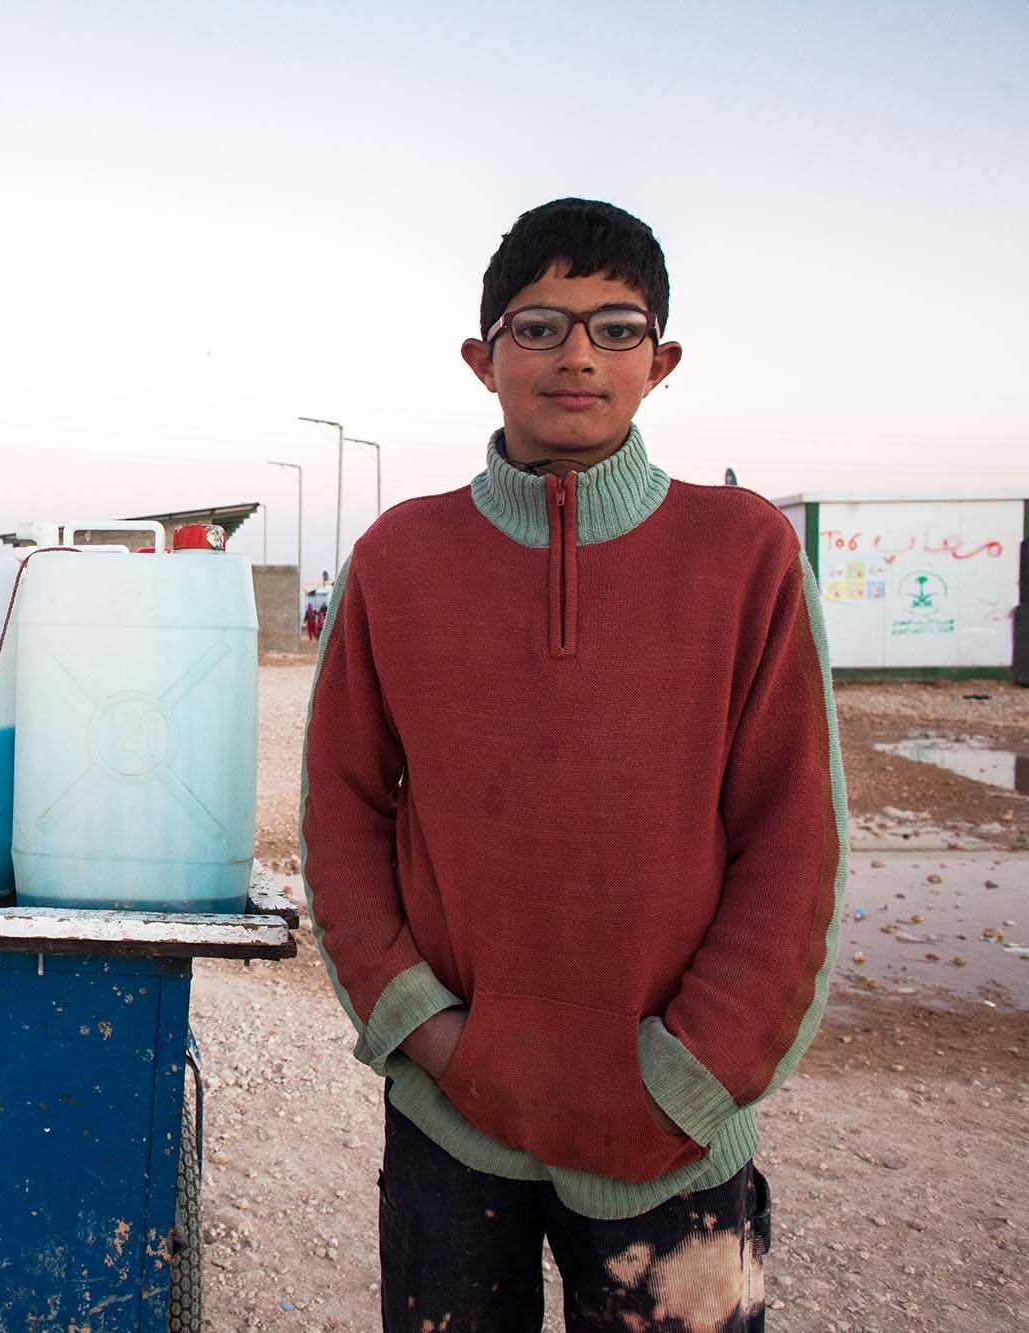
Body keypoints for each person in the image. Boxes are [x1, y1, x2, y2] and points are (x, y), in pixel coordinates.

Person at [300, 198, 844, 1332]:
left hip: (675, 1139)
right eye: (538, 326)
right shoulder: (397, 560)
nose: (577, 355)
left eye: (615, 326)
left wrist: (689, 1076)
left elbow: (791, 839)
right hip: (455, 1117)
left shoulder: (744, 554)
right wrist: (429, 1033)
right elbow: (343, 814)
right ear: (481, 358)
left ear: (662, 360)